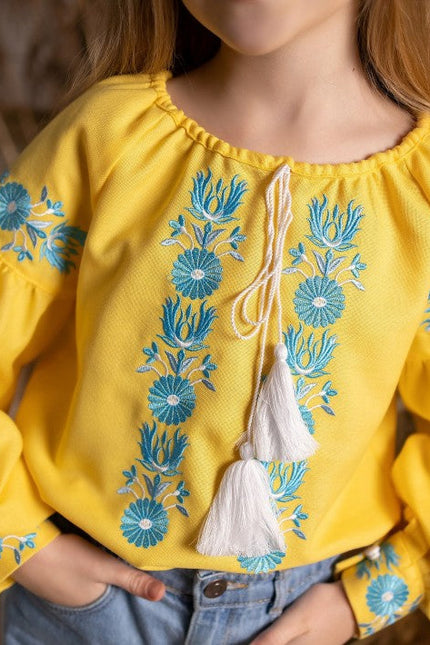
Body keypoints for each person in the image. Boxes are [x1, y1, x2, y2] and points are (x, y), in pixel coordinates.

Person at [1, 0, 430, 643]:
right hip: (81, 600)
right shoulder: (107, 135)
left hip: (302, 612)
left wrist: (372, 593)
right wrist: (20, 539)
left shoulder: (420, 188)